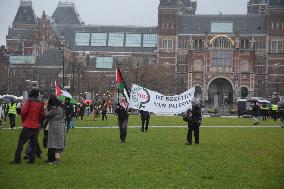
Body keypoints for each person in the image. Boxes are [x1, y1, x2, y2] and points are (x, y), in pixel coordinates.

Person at [10, 88, 44, 164]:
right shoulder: (41, 102)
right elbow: (41, 115)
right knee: (33, 144)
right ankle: (32, 160)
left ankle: (17, 159)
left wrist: (24, 120)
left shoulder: (29, 100)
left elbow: (24, 111)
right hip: (36, 125)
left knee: (21, 142)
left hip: (28, 125)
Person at [44, 95, 66, 164]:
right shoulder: (60, 108)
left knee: (55, 143)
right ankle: (57, 159)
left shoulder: (55, 109)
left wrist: (44, 108)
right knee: (57, 144)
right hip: (61, 127)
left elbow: (46, 115)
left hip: (55, 127)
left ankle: (56, 160)